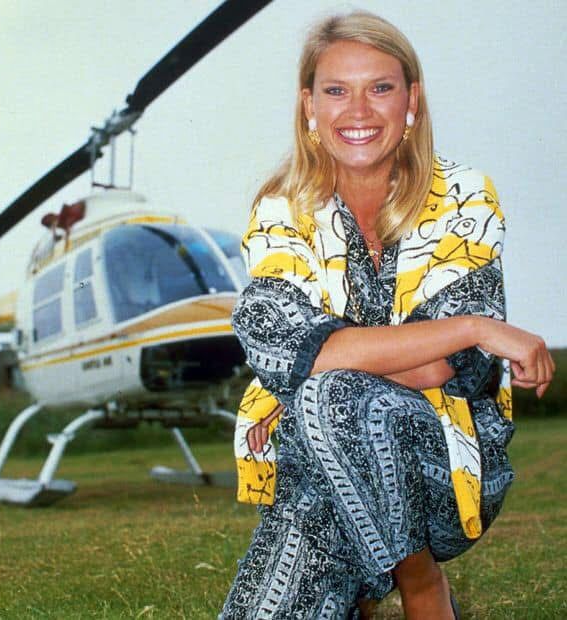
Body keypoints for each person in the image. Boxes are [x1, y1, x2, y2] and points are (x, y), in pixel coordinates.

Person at [220, 11, 554, 620]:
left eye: (380, 88)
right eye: (336, 90)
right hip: (317, 475)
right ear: (309, 105)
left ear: (411, 101)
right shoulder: (280, 209)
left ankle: (419, 579)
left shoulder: (464, 196)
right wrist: (475, 326)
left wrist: (313, 366)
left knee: (327, 396)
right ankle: (360, 592)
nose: (358, 110)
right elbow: (276, 341)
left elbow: (442, 369)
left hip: (447, 466)